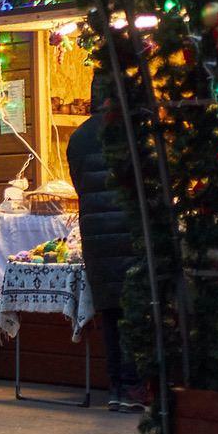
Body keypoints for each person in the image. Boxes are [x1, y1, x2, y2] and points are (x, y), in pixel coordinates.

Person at [67, 72, 144, 412]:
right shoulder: (130, 131)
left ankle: (116, 387)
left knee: (111, 313)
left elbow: (80, 185)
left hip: (96, 236)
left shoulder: (79, 137)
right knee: (138, 311)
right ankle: (134, 386)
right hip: (130, 232)